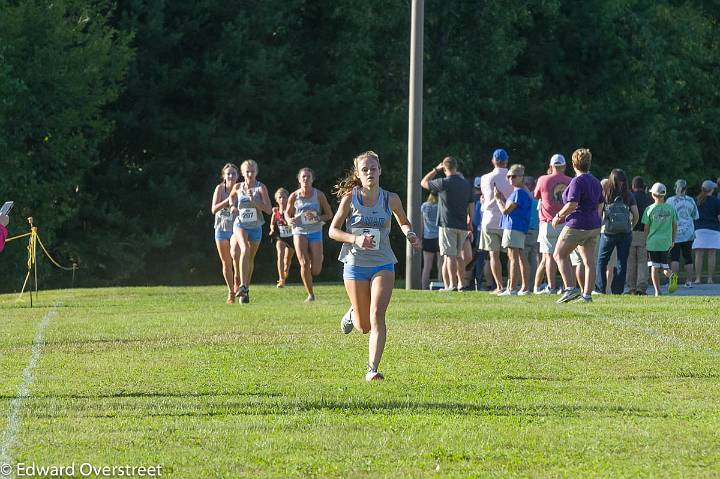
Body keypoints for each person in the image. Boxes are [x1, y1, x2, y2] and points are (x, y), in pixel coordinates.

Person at [330, 151, 420, 381]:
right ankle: (352, 313)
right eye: (365, 169)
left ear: (380, 170)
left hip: (383, 262)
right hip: (354, 264)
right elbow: (333, 231)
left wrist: (409, 233)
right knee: (363, 326)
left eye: (373, 168)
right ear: (358, 175)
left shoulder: (391, 199)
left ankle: (372, 369)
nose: (370, 172)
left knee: (378, 314)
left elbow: (403, 220)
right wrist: (355, 239)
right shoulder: (350, 198)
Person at [552, 148, 603, 303]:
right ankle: (587, 295)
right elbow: (601, 203)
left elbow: (572, 204)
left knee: (558, 254)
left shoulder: (577, 181)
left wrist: (558, 216)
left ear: (573, 164)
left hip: (577, 223)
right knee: (589, 262)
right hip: (593, 225)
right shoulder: (595, 181)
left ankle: (570, 289)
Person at [420, 156, 473, 291]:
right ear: (456, 167)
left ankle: (451, 285)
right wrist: (470, 221)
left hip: (447, 224)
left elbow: (424, 182)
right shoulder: (465, 184)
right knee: (459, 256)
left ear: (444, 168)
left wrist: (435, 170)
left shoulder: (444, 182)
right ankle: (461, 283)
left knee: (449, 256)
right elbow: (471, 204)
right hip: (462, 225)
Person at [286, 167, 334, 302]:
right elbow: (287, 213)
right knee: (304, 263)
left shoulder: (318, 195)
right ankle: (310, 294)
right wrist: (289, 220)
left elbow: (329, 214)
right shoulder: (294, 196)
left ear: (313, 179)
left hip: (315, 231)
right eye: (303, 177)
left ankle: (319, 258)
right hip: (299, 231)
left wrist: (320, 218)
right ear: (299, 179)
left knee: (316, 270)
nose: (306, 179)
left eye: (308, 177)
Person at [229, 159, 272, 304]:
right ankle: (241, 285)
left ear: (256, 172)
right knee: (244, 249)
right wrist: (232, 207)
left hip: (256, 227)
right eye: (247, 171)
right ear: (242, 173)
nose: (250, 174)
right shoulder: (238, 187)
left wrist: (255, 201)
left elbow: (268, 210)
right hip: (240, 225)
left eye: (252, 171)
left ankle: (245, 289)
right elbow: (231, 198)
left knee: (250, 259)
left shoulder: (261, 188)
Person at [595, 169, 638, 294]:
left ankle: (600, 289)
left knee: (602, 261)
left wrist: (599, 227)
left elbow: (599, 214)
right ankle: (617, 291)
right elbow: (636, 215)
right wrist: (631, 226)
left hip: (608, 233)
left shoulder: (605, 194)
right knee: (621, 262)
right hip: (625, 233)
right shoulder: (628, 195)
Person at [534, 154, 572, 294]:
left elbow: (537, 195)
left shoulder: (543, 179)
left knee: (549, 256)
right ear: (564, 166)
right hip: (566, 223)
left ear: (551, 166)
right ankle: (567, 286)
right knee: (565, 256)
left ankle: (551, 287)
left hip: (548, 223)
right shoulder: (571, 181)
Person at [479, 149, 514, 293]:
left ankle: (499, 286)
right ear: (506, 161)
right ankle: (512, 286)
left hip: (489, 219)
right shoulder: (512, 176)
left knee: (494, 255)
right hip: (508, 219)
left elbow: (484, 197)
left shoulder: (485, 178)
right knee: (512, 255)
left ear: (493, 160)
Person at [495, 164, 532, 295]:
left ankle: (512, 288)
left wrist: (498, 199)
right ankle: (524, 287)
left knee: (513, 257)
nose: (510, 179)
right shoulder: (521, 192)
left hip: (513, 227)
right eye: (508, 176)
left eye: (514, 176)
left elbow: (506, 211)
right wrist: (503, 199)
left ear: (521, 177)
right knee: (520, 257)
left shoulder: (519, 192)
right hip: (518, 227)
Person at [210, 163, 240, 304]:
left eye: (233, 173)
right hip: (221, 229)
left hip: (236, 229)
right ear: (224, 176)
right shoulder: (220, 189)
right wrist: (228, 201)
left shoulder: (241, 188)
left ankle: (238, 279)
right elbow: (214, 209)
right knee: (226, 263)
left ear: (237, 176)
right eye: (228, 173)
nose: (231, 176)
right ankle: (231, 291)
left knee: (236, 256)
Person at [643, 183, 678, 296]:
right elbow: (674, 226)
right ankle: (671, 275)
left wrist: (645, 240)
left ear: (653, 194)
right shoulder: (671, 209)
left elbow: (646, 228)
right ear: (664, 194)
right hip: (666, 242)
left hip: (653, 242)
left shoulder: (649, 209)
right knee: (664, 266)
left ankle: (657, 291)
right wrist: (673, 240)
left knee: (654, 267)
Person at [666, 179, 699, 287]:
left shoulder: (670, 200)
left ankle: (673, 282)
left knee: (674, 257)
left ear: (675, 188)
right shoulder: (691, 200)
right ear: (686, 188)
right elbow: (695, 216)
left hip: (675, 232)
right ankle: (689, 281)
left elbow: (667, 217)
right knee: (688, 257)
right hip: (689, 232)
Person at [627, 176, 651, 295]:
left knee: (630, 261)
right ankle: (641, 287)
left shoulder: (630, 197)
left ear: (633, 186)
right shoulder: (649, 199)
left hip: (630, 232)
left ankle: (631, 287)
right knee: (642, 261)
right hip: (644, 232)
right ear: (644, 186)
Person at [693, 180, 720, 284]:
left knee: (698, 255)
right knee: (711, 254)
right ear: (712, 190)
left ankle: (698, 278)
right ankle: (709, 278)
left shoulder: (696, 200)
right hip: (714, 230)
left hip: (699, 229)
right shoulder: (716, 201)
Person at [269, 188, 295, 288]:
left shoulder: (292, 209)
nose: (282, 199)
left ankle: (285, 272)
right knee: (280, 254)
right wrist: (271, 229)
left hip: (291, 237)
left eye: (284, 197)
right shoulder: (275, 212)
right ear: (276, 199)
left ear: (288, 198)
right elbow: (272, 223)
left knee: (287, 260)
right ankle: (281, 279)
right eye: (280, 197)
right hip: (280, 237)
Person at [420, 192, 442, 289]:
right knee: (441, 264)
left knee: (427, 266)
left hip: (428, 237)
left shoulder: (424, 206)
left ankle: (424, 287)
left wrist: (420, 237)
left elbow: (422, 223)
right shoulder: (440, 206)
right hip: (439, 237)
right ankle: (442, 284)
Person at [523, 175, 540, 287]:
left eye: (527, 184)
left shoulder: (530, 199)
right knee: (533, 258)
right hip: (536, 231)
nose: (525, 186)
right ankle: (532, 284)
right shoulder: (538, 199)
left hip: (529, 230)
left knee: (525, 258)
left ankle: (525, 284)